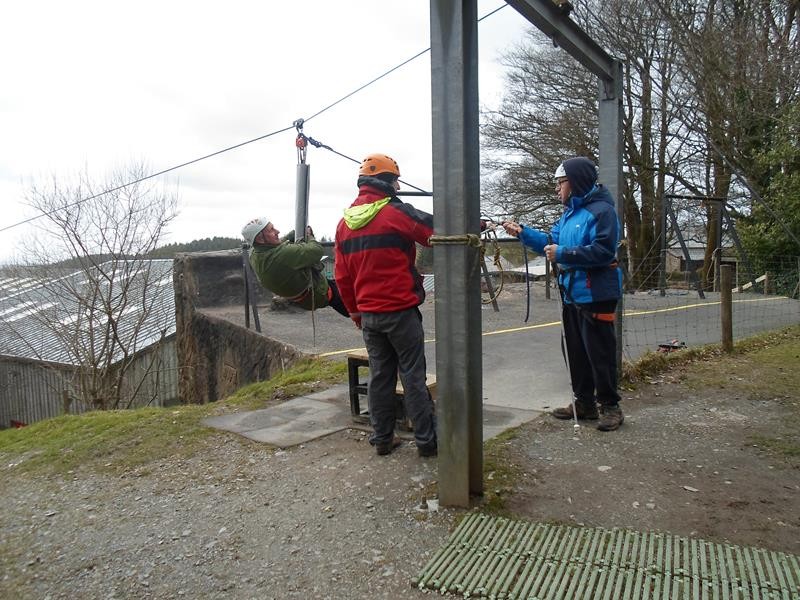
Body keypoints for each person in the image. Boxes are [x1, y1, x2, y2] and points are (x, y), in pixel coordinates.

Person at [502, 156, 624, 431]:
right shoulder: (569, 214)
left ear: (576, 182)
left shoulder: (602, 212)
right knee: (575, 351)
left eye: (560, 183)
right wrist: (523, 232)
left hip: (596, 294)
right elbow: (549, 242)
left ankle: (611, 407)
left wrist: (564, 254)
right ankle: (584, 403)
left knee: (599, 353)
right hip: (572, 293)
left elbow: (604, 251)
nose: (557, 189)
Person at [334, 153, 438, 457]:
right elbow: (437, 234)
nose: (397, 185)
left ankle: (382, 439)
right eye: (396, 180)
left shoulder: (344, 224)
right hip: (400, 311)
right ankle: (427, 442)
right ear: (389, 182)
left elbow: (342, 276)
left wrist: (355, 311)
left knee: (380, 376)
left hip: (369, 315)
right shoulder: (396, 213)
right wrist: (478, 224)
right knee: (413, 377)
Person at [241, 218, 349, 317]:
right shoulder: (280, 255)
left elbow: (278, 244)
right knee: (353, 306)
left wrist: (294, 233)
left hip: (304, 297)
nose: (277, 231)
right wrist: (309, 236)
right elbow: (316, 251)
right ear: (260, 239)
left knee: (346, 288)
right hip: (319, 293)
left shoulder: (255, 253)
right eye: (271, 230)